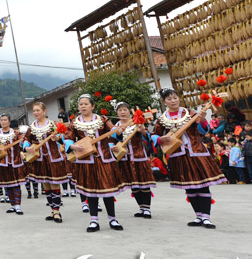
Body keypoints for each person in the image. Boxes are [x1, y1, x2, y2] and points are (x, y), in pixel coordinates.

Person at [152, 88, 227, 229]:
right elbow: (154, 135)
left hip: (196, 152)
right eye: (169, 99)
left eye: (175, 97)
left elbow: (203, 131)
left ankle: (206, 217)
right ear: (164, 101)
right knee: (190, 187)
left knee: (203, 185)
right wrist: (160, 138)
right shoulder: (162, 118)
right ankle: (198, 216)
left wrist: (203, 119)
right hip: (177, 154)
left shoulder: (190, 113)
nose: (173, 101)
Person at [65, 94, 128, 233]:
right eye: (80, 104)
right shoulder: (74, 122)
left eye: (86, 104)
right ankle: (94, 220)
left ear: (92, 106)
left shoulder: (102, 119)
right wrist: (73, 146)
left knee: (108, 190)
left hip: (104, 158)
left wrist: (118, 132)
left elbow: (112, 131)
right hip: (86, 161)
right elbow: (68, 138)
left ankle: (112, 219)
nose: (83, 106)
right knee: (90, 191)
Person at [24, 101, 70, 223]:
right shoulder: (32, 127)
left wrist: (58, 138)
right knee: (46, 186)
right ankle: (52, 209)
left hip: (53, 158)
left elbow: (63, 138)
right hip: (39, 160)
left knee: (54, 184)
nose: (35, 113)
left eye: (38, 110)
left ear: (44, 111)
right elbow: (26, 140)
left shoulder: (53, 124)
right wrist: (26, 147)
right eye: (34, 111)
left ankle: (57, 211)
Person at [113, 102, 156, 219]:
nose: (122, 112)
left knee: (144, 183)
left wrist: (142, 130)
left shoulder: (137, 122)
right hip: (125, 159)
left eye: (124, 110)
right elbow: (111, 142)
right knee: (134, 185)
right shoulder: (115, 127)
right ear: (117, 113)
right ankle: (141, 207)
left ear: (128, 111)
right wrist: (117, 138)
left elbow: (148, 137)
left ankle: (147, 208)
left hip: (139, 157)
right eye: (120, 110)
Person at [0, 115, 27, 215]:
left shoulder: (16, 134)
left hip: (15, 161)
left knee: (16, 184)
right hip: (2, 162)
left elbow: (24, 142)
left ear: (9, 122)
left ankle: (18, 206)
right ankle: (12, 205)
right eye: (2, 120)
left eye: (5, 120)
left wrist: (23, 144)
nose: (3, 122)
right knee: (7, 184)